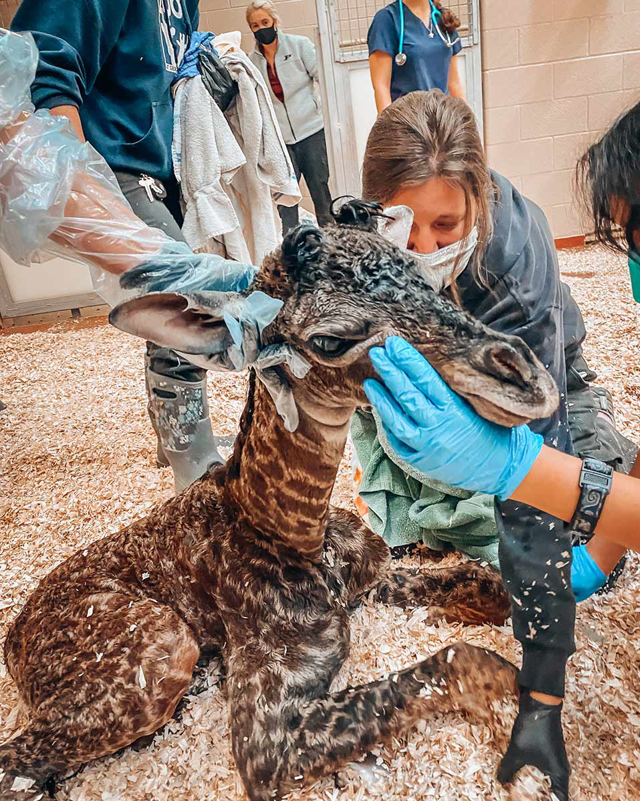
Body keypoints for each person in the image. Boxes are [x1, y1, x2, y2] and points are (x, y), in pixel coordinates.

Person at [358, 89, 638, 801]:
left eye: (445, 224)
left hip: (542, 391)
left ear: (477, 201)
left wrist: (542, 692)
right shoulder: (370, 239)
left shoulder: (515, 261)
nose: (421, 248)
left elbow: (535, 440)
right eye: (401, 226)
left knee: (547, 513)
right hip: (445, 387)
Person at [10, 0, 230, 494]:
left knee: (168, 305)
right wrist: (89, 195)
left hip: (156, 167)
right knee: (187, 303)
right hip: (108, 166)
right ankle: (191, 459)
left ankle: (172, 433)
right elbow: (41, 66)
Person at [247, 0, 333, 233]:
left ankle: (331, 240)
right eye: (255, 25)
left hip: (311, 131)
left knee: (320, 190)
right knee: (286, 199)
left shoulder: (299, 46)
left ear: (275, 21)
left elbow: (324, 77)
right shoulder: (251, 62)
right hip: (281, 141)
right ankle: (290, 248)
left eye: (265, 22)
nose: (261, 28)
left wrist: (321, 109)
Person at [367, 0, 464, 114]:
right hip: (407, 122)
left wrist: (467, 125)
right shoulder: (386, 20)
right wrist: (388, 129)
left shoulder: (444, 19)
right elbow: (381, 87)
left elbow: (454, 84)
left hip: (442, 121)